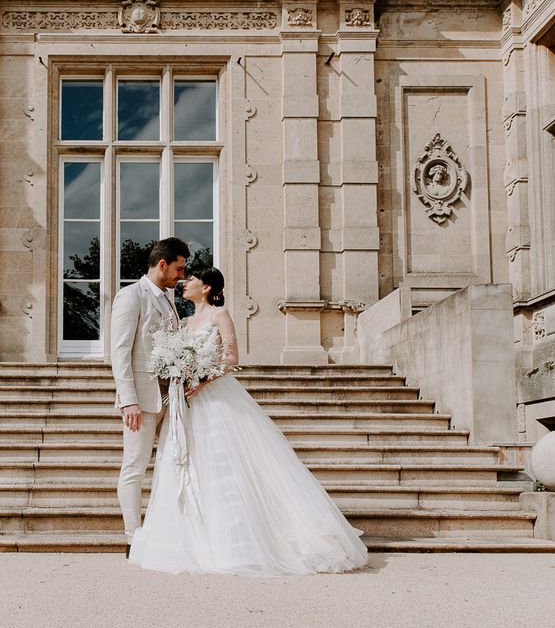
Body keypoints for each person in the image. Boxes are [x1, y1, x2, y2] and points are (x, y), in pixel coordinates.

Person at [128, 266, 369, 575]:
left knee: (226, 468)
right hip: (186, 405)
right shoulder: (185, 321)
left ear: (207, 287)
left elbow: (231, 359)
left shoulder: (220, 315)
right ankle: (194, 537)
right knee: (189, 468)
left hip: (215, 397)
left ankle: (240, 542)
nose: (185, 282)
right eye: (185, 278)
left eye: (192, 279)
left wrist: (201, 378)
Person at [110, 237, 190, 559]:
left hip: (169, 399)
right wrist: (128, 399)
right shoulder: (131, 297)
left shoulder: (169, 301)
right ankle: (133, 538)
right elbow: (119, 352)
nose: (181, 276)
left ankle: (166, 530)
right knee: (134, 466)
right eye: (179, 269)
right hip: (141, 401)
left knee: (172, 466)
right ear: (162, 265)